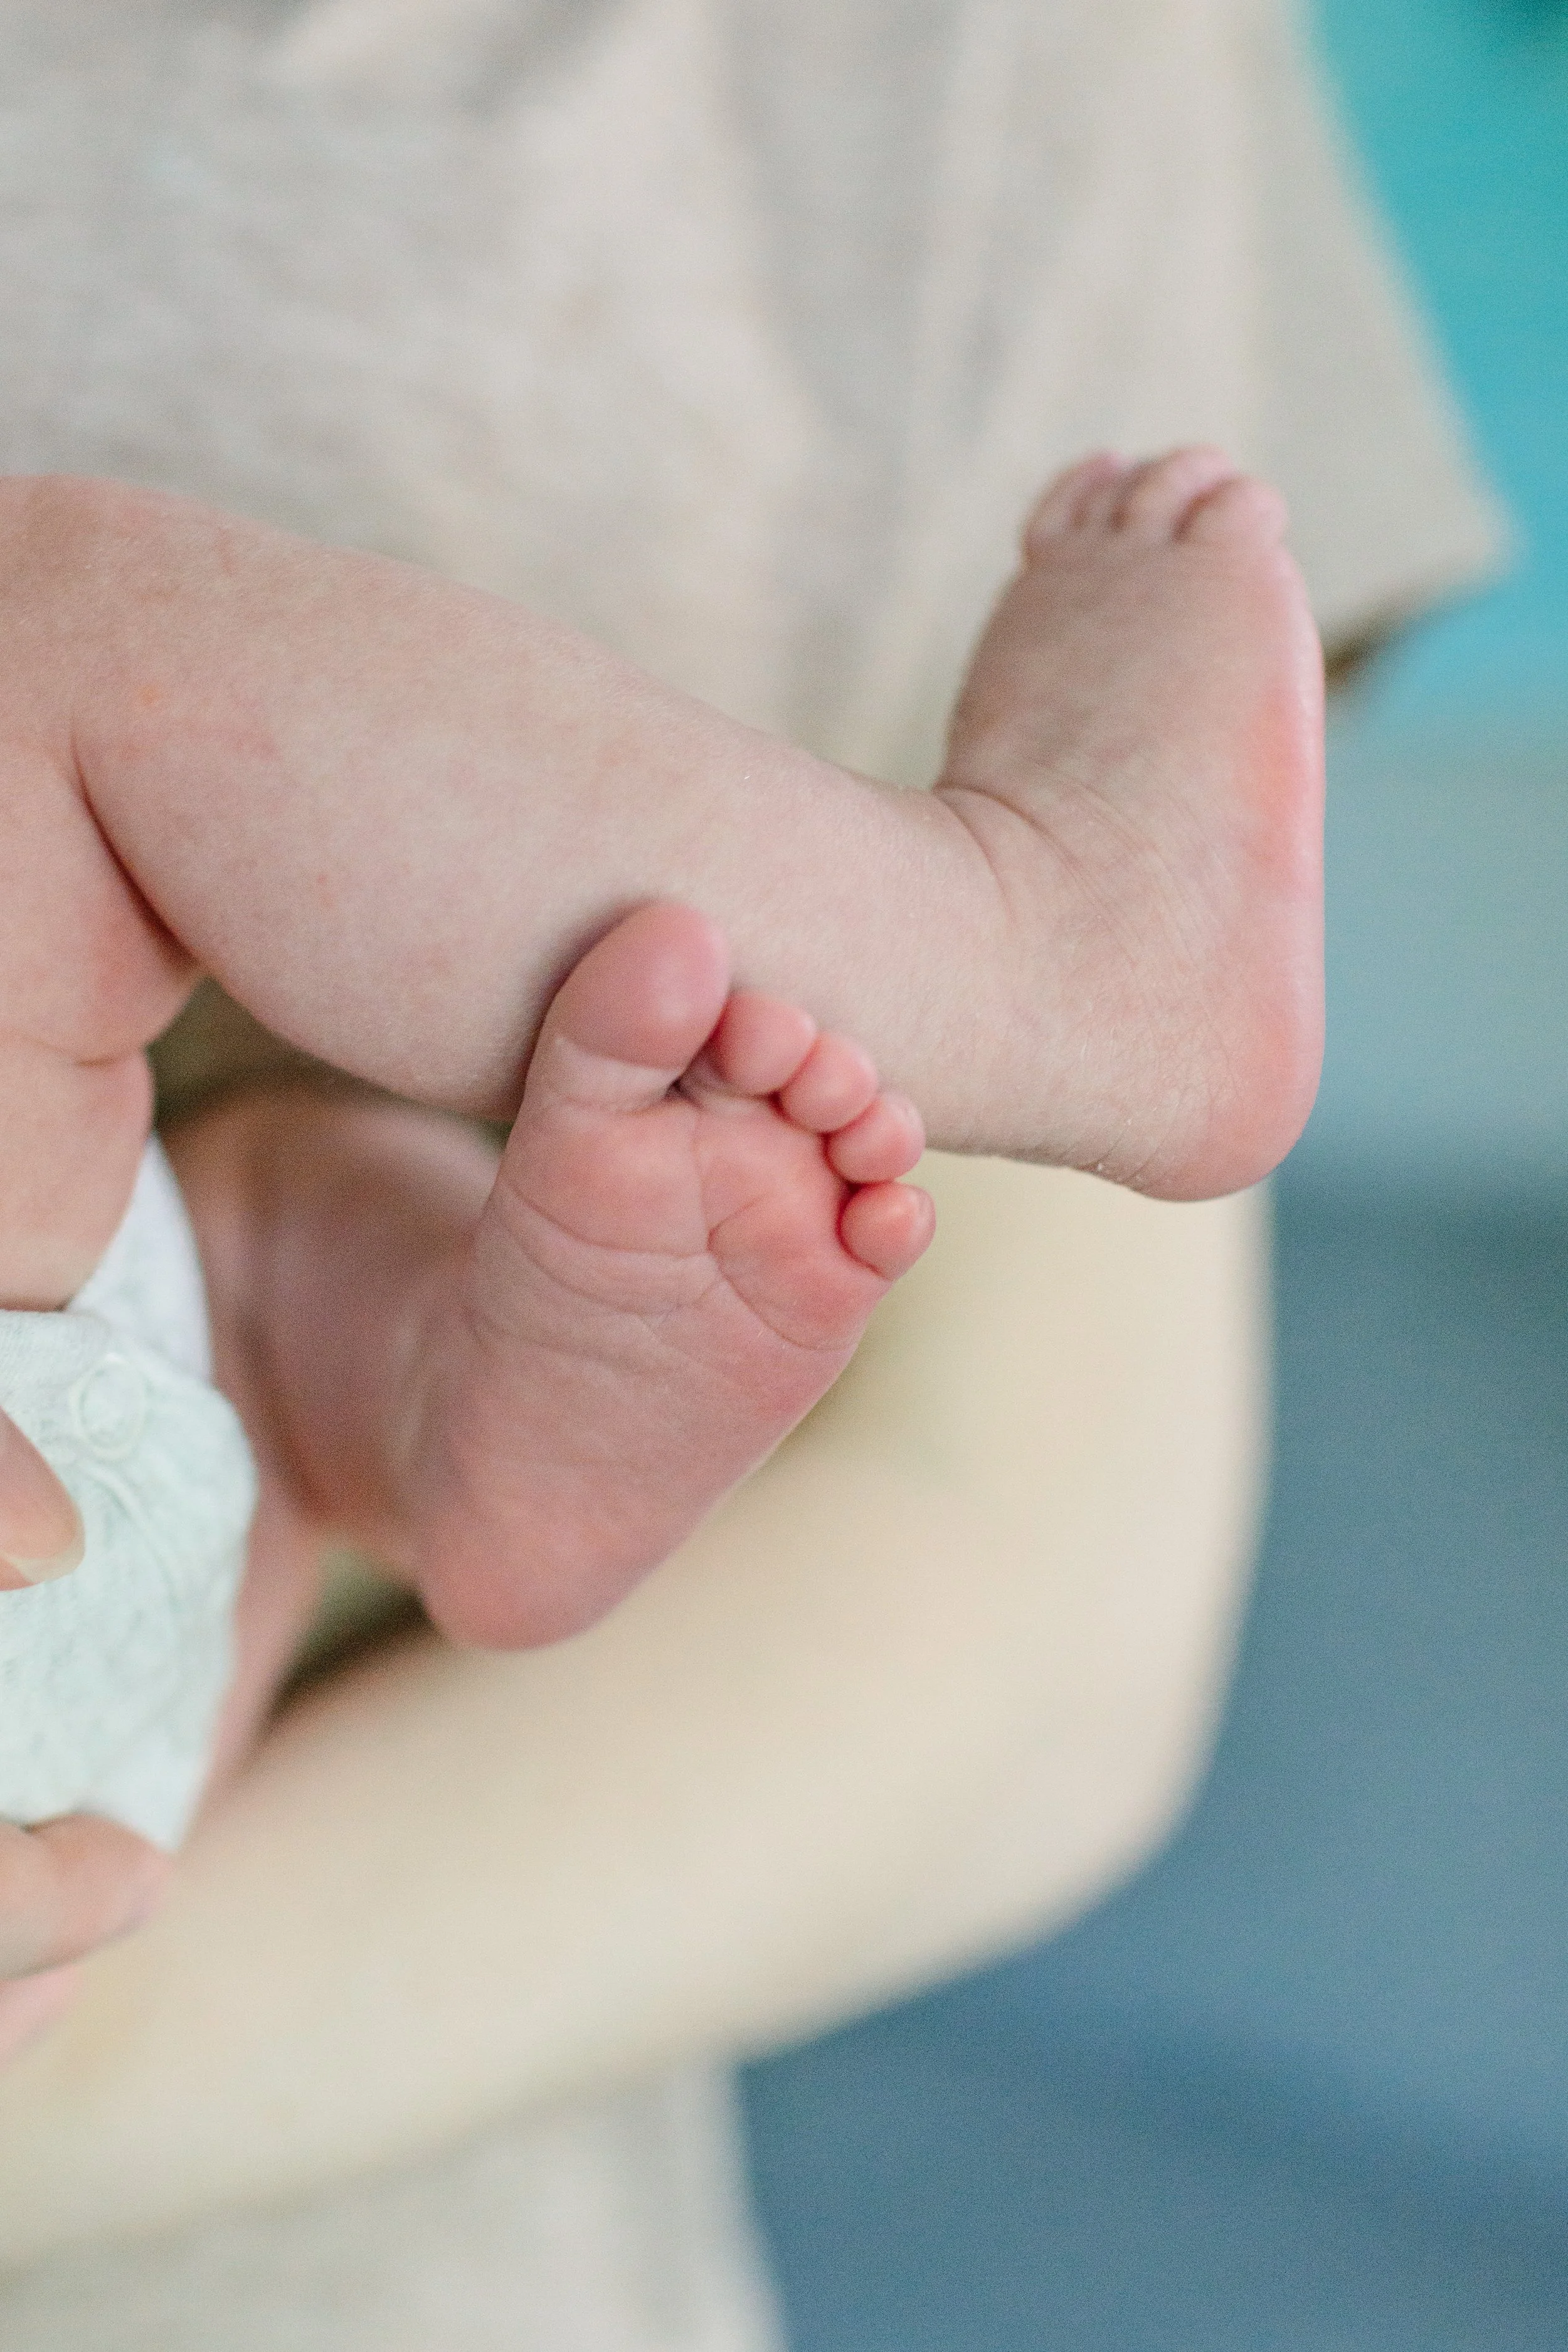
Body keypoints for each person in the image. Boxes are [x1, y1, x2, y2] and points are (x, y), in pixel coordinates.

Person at [0, 0, 1505, 2320]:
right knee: (63, 653)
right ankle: (999, 965)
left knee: (266, 1211)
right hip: (90, 1681)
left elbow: (1017, 1591)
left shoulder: (995, 70)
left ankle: (435, 1400)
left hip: (101, 1700)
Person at [0, 433, 1318, 1887]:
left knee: (241, 1232)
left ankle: (444, 1421)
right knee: (48, 623)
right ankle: (1026, 950)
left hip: (68, 1779)